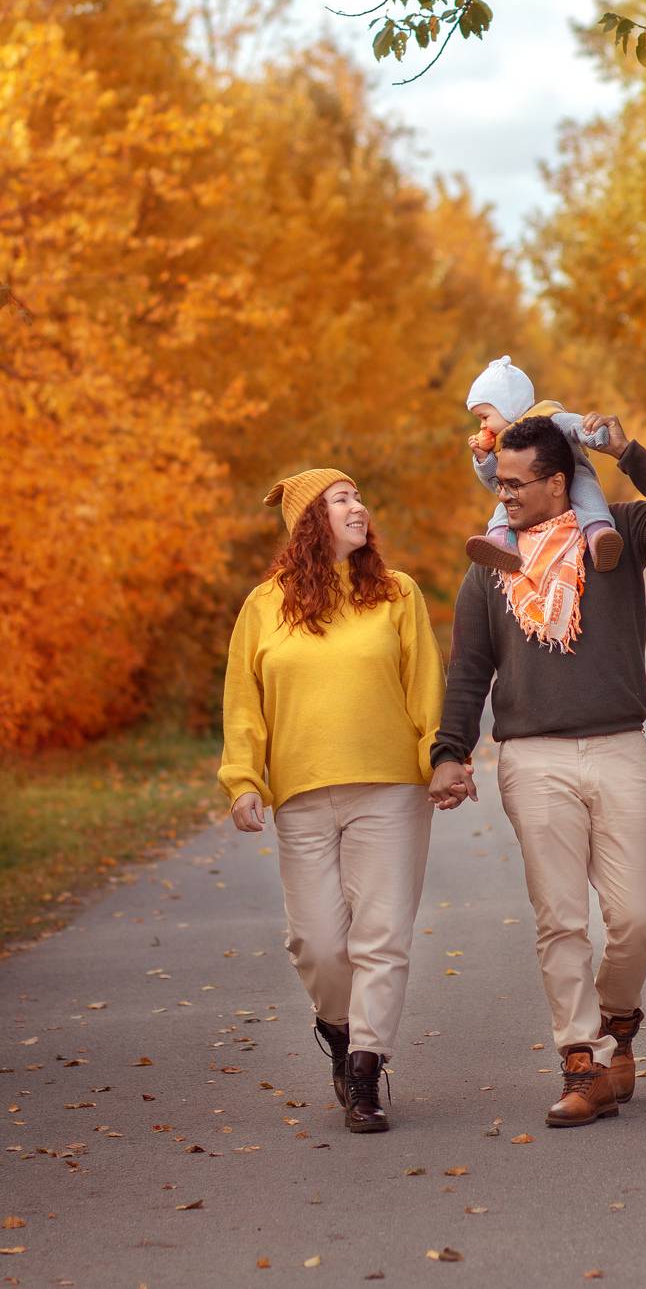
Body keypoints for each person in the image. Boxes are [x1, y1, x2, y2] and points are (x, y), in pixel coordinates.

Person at [428, 415, 646, 1128]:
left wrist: (626, 452)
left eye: (516, 483)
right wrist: (450, 752)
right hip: (533, 760)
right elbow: (468, 670)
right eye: (498, 483)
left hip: (619, 749)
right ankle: (581, 1062)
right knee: (560, 919)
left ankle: (618, 1024)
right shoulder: (490, 563)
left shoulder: (614, 537)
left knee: (636, 917)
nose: (503, 495)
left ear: (558, 483)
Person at [220, 467, 445, 1134]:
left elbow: (425, 686)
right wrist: (243, 778)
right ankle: (340, 1030)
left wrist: (441, 758)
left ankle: (367, 1069)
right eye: (341, 499)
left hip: (391, 789)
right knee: (316, 943)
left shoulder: (396, 592)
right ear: (308, 523)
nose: (358, 506)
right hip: (303, 793)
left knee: (381, 936)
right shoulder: (264, 604)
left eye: (357, 496)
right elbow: (243, 701)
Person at [464, 354, 624, 580]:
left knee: (587, 493)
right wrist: (483, 460)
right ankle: (501, 541)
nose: (482, 425)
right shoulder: (502, 445)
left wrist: (596, 435)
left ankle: (599, 535)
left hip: (573, 472)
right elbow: (497, 484)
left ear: (508, 408)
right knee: (506, 503)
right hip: (528, 492)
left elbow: (575, 425)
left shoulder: (549, 416)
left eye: (484, 417)